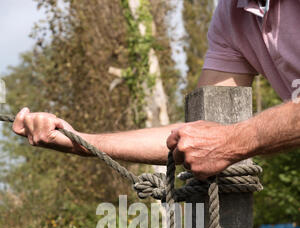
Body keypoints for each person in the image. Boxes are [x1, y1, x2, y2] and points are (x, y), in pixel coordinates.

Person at [12, 0, 300, 180]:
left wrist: (234, 140)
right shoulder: (232, 16)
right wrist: (78, 140)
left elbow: (222, 139)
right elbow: (199, 136)